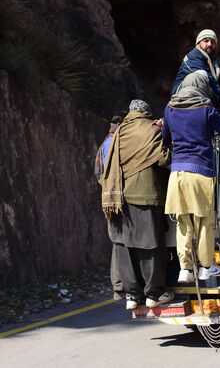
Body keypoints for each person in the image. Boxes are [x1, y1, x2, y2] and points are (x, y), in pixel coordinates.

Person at [100, 99, 174, 310]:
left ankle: (132, 295)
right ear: (146, 113)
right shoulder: (150, 130)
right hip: (145, 195)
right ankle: (153, 294)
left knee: (125, 247)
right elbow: (163, 159)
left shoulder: (118, 133)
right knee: (151, 246)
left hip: (117, 198)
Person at [162, 73, 220, 283]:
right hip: (201, 171)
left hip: (177, 174)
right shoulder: (206, 109)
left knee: (183, 222)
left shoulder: (170, 109)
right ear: (202, 87)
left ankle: (185, 269)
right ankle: (206, 266)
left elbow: (165, 138)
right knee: (204, 221)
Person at [170, 28, 220, 120]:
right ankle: (205, 112)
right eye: (206, 41)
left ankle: (218, 111)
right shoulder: (193, 56)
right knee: (202, 74)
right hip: (183, 95)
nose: (209, 44)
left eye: (212, 42)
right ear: (198, 43)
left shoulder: (215, 61)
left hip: (206, 93)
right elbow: (210, 79)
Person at [94, 115, 125, 300]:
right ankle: (123, 284)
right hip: (120, 199)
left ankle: (118, 285)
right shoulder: (117, 144)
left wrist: (107, 188)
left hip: (108, 200)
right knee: (123, 242)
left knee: (116, 242)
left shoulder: (103, 145)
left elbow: (98, 174)